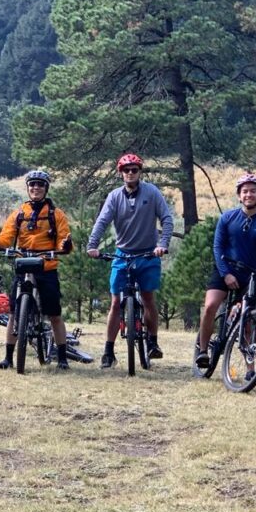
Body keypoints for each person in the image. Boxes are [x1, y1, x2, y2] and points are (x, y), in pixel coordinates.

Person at [195, 173, 256, 374]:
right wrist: (226, 274)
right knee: (210, 306)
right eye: (245, 191)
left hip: (250, 275)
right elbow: (217, 248)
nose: (249, 194)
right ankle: (202, 351)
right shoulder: (227, 218)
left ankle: (250, 370)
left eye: (253, 191)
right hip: (224, 269)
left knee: (247, 321)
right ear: (239, 196)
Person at [86, 153, 173, 368]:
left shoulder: (152, 192)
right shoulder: (114, 196)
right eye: (126, 170)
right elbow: (102, 221)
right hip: (123, 254)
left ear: (140, 172)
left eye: (134, 170)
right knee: (116, 302)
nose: (130, 173)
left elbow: (166, 218)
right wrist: (92, 245)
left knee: (148, 298)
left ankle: (152, 342)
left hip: (148, 254)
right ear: (121, 173)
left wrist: (162, 244)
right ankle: (108, 351)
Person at [0, 170, 74, 370]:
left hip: (46, 265)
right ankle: (8, 357)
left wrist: (65, 245)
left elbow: (64, 240)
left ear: (46, 188)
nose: (36, 188)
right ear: (27, 188)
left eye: (40, 185)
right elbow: (6, 238)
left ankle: (62, 358)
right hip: (23, 263)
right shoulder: (19, 213)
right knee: (14, 313)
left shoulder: (56, 214)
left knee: (54, 314)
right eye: (32, 184)